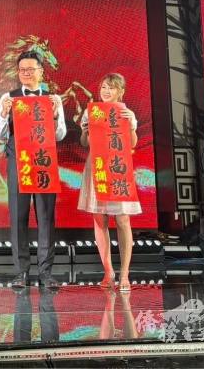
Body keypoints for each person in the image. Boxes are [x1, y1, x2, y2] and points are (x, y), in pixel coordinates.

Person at [0, 50, 66, 290]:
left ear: (41, 72)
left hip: (44, 163)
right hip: (19, 162)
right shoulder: (9, 97)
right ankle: (21, 272)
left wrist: (55, 115)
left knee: (46, 217)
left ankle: (46, 273)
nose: (25, 73)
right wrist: (4, 114)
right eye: (22, 70)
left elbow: (60, 135)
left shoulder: (52, 99)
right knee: (18, 217)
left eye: (30, 69)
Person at [78, 73, 140, 292]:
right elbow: (84, 142)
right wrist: (85, 130)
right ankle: (108, 271)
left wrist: (130, 125)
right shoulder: (91, 111)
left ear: (120, 91)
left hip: (118, 168)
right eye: (104, 87)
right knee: (99, 220)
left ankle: (125, 274)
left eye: (111, 88)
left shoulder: (126, 112)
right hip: (97, 167)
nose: (106, 91)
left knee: (122, 219)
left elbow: (132, 143)